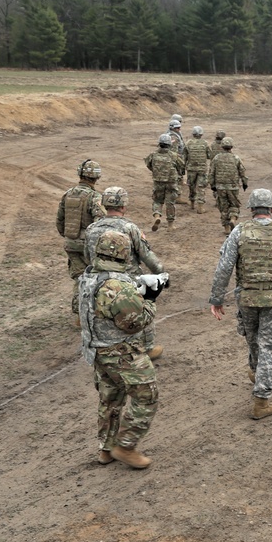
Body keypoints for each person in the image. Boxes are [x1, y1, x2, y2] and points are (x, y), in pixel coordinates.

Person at [208, 188, 272, 419]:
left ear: (252, 209)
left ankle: (257, 371)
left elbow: (224, 267)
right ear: (271, 209)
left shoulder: (239, 232)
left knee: (253, 338)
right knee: (269, 345)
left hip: (247, 296)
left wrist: (217, 297)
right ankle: (261, 400)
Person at [78, 230, 164, 469]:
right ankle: (125, 446)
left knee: (110, 399)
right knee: (146, 395)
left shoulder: (87, 277)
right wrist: (151, 300)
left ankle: (106, 449)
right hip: (121, 352)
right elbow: (134, 323)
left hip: (96, 350)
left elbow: (80, 311)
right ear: (125, 254)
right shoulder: (116, 286)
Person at [85, 186, 167, 360]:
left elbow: (87, 256)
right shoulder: (130, 228)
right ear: (123, 205)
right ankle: (148, 347)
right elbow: (146, 255)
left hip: (99, 281)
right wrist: (160, 273)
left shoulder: (92, 228)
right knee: (142, 307)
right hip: (126, 280)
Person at [56, 160, 106, 320]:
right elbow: (100, 222)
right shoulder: (95, 197)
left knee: (79, 278)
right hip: (88, 245)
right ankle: (96, 314)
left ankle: (79, 317)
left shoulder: (68, 194)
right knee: (96, 278)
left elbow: (60, 220)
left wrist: (69, 236)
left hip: (71, 243)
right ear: (96, 177)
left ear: (80, 174)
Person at [144, 133, 185, 231]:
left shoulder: (153, 155)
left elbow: (149, 165)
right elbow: (181, 166)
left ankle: (157, 216)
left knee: (157, 200)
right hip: (171, 183)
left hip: (158, 182)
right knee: (170, 203)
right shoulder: (174, 156)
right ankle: (170, 225)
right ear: (169, 144)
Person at [209, 136, 249, 235]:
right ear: (231, 146)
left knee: (223, 207)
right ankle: (233, 218)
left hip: (220, 187)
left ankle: (226, 228)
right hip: (233, 187)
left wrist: (212, 184)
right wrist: (244, 183)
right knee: (234, 204)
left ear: (222, 146)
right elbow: (242, 172)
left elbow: (211, 172)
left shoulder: (217, 158)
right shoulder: (235, 158)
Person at [184, 126, 214, 214]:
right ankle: (200, 207)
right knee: (201, 187)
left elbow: (184, 156)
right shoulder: (205, 143)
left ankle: (192, 203)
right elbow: (209, 155)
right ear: (201, 134)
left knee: (191, 186)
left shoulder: (188, 143)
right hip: (202, 169)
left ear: (193, 134)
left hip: (191, 169)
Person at [167, 118, 189, 204]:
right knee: (178, 178)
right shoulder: (174, 137)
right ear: (173, 128)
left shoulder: (171, 135)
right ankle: (177, 197)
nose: (179, 129)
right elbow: (174, 152)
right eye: (177, 128)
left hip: (173, 159)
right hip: (175, 160)